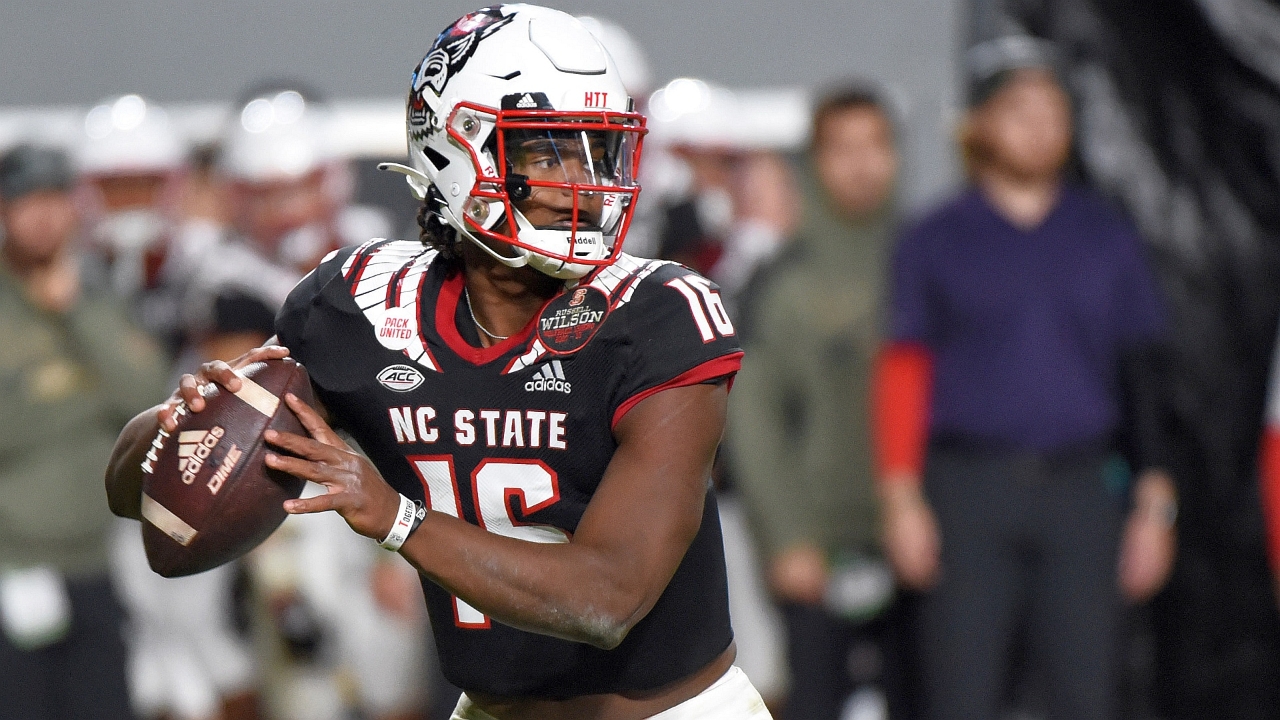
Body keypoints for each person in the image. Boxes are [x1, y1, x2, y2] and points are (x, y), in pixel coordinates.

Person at [107, 6, 769, 720]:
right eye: (548, 152)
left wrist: (395, 518)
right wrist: (189, 419)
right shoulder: (362, 306)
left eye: (595, 151)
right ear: (460, 156)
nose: (581, 181)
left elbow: (607, 597)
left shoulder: (659, 313)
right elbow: (134, 493)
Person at [873, 37, 1178, 720]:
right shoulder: (935, 239)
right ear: (979, 124)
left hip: (1082, 492)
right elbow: (903, 370)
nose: (1040, 125)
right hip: (968, 491)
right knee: (961, 691)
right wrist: (900, 499)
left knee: (1086, 692)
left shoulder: (1105, 235)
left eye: (1054, 109)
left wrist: (1155, 505)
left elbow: (1143, 376)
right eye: (1019, 108)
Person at [728, 84, 900, 720]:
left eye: (875, 145)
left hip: (924, 540)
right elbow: (755, 419)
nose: (860, 164)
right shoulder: (782, 283)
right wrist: (787, 537)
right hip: (818, 545)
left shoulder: (927, 262)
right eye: (841, 148)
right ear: (814, 162)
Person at [0, 143, 169, 719]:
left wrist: (78, 314)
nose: (42, 216)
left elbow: (150, 397)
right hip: (15, 564)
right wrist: (78, 397)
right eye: (25, 201)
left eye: (54, 199)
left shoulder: (99, 295)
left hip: (100, 560)